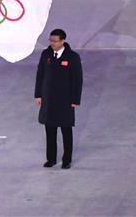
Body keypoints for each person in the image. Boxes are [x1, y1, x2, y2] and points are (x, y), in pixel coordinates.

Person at [34, 28, 82, 170]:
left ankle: (66, 160)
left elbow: (77, 79)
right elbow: (40, 75)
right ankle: (51, 159)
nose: (52, 43)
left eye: (55, 41)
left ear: (63, 41)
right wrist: (38, 95)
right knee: (50, 131)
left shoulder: (72, 57)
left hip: (65, 100)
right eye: (51, 40)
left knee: (66, 131)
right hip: (48, 99)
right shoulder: (46, 54)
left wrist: (75, 99)